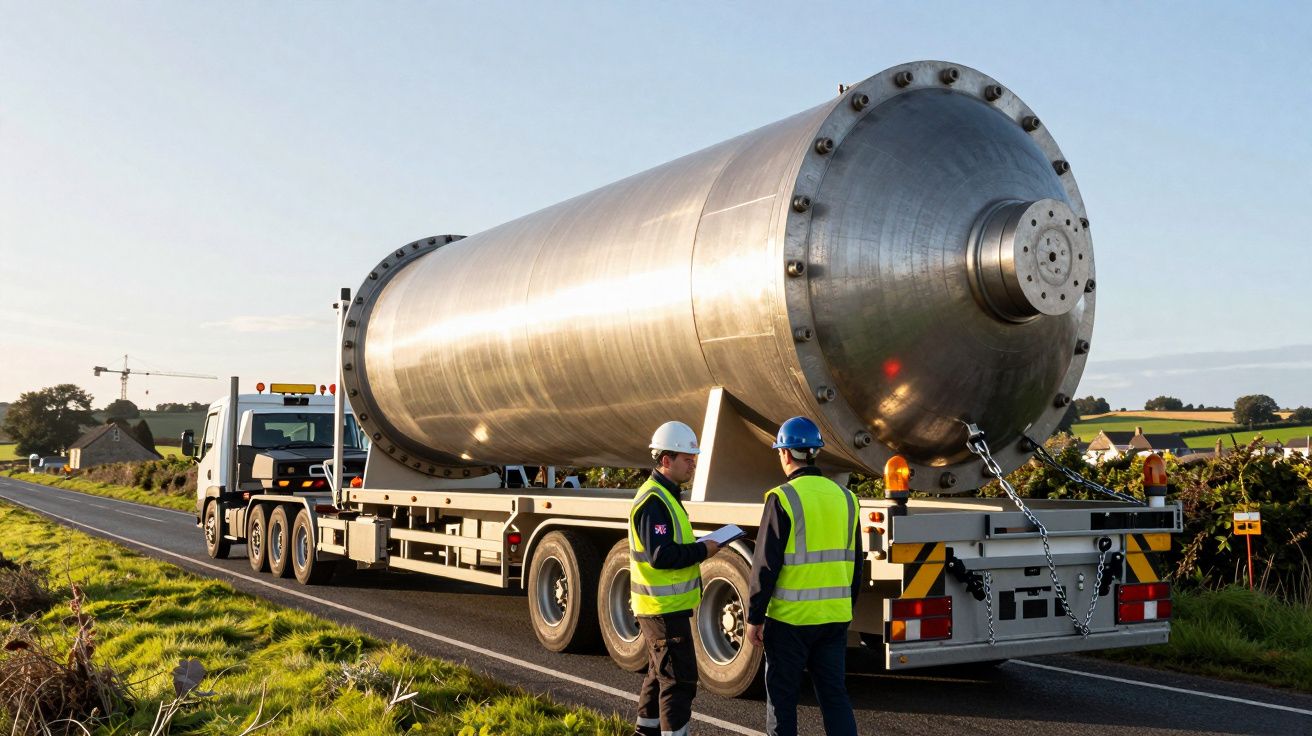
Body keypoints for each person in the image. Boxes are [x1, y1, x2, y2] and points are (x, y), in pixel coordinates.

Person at [745, 417, 860, 736]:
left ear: (785, 454)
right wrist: (845, 609)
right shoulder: (847, 499)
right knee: (835, 697)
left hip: (789, 621)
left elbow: (765, 564)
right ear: (814, 453)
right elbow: (856, 563)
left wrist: (754, 617)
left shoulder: (782, 498)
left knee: (782, 700)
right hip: (834, 618)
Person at [630, 420, 721, 736]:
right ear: (666, 460)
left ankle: (645, 732)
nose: (693, 463)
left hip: (665, 606)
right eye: (687, 458)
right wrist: (702, 550)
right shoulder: (654, 501)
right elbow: (661, 556)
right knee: (679, 681)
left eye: (693, 457)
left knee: (658, 676)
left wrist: (698, 547)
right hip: (662, 608)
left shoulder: (665, 495)